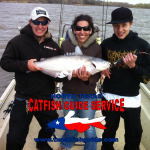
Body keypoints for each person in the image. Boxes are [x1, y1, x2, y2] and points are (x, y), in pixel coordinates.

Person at [1, 7, 66, 150]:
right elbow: (4, 63)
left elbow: (60, 76)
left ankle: (41, 142)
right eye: (37, 22)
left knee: (53, 124)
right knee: (14, 138)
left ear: (48, 23)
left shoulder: (54, 47)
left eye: (44, 22)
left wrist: (68, 74)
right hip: (24, 97)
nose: (40, 26)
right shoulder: (17, 42)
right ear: (30, 22)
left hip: (45, 97)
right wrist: (26, 65)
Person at [100, 7, 150, 150]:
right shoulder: (105, 44)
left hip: (131, 99)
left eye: (124, 25)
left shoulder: (143, 45)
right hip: (109, 96)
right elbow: (97, 67)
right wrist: (100, 70)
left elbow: (146, 79)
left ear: (131, 23)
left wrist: (133, 66)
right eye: (116, 25)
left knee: (135, 133)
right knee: (109, 131)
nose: (120, 29)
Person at [58, 14, 102, 150]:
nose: (82, 32)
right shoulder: (65, 45)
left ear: (91, 30)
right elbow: (59, 70)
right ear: (73, 29)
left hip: (88, 94)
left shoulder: (97, 48)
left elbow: (99, 74)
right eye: (78, 28)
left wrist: (87, 78)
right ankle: (66, 144)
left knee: (88, 129)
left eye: (86, 28)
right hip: (68, 93)